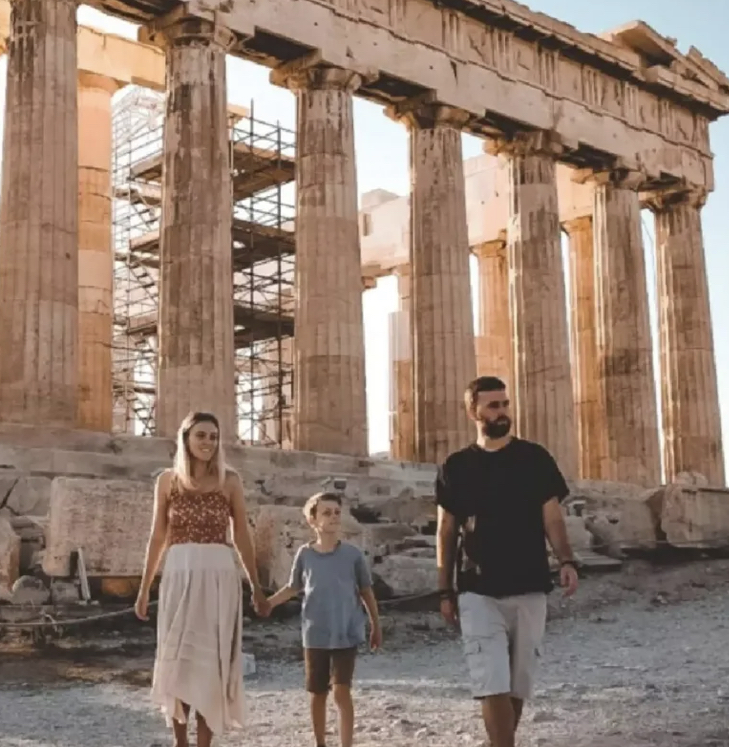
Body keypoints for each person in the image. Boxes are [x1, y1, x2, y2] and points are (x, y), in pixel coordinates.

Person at [435, 376, 579, 747]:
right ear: (474, 411)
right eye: (493, 405)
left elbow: (552, 517)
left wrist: (567, 560)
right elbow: (446, 531)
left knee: (517, 685)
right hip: (478, 590)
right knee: (491, 681)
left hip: (530, 584)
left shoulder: (535, 458)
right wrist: (444, 590)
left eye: (505, 404)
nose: (503, 412)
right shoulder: (456, 466)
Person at [134, 411, 268, 747]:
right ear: (186, 439)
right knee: (179, 660)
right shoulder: (167, 481)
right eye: (201, 435)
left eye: (213, 436)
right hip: (180, 572)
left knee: (211, 664)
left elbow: (242, 537)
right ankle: (181, 742)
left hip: (219, 574)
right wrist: (143, 588)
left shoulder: (230, 480)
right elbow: (157, 536)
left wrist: (256, 586)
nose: (207, 442)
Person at [263, 492, 382, 747]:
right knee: (317, 693)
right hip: (315, 634)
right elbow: (293, 587)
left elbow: (366, 592)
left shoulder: (352, 555)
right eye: (326, 513)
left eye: (337, 512)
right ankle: (320, 743)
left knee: (341, 690)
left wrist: (376, 625)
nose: (333, 517)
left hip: (346, 631)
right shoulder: (305, 555)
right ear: (313, 520)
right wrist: (269, 603)